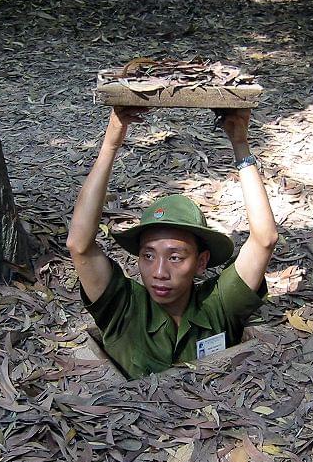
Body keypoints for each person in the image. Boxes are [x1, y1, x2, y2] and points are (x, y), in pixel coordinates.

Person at [66, 107, 277, 379]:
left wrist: (241, 146)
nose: (159, 272)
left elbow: (264, 239)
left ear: (201, 262)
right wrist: (110, 144)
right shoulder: (123, 307)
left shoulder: (219, 305)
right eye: (149, 256)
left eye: (175, 257)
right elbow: (79, 244)